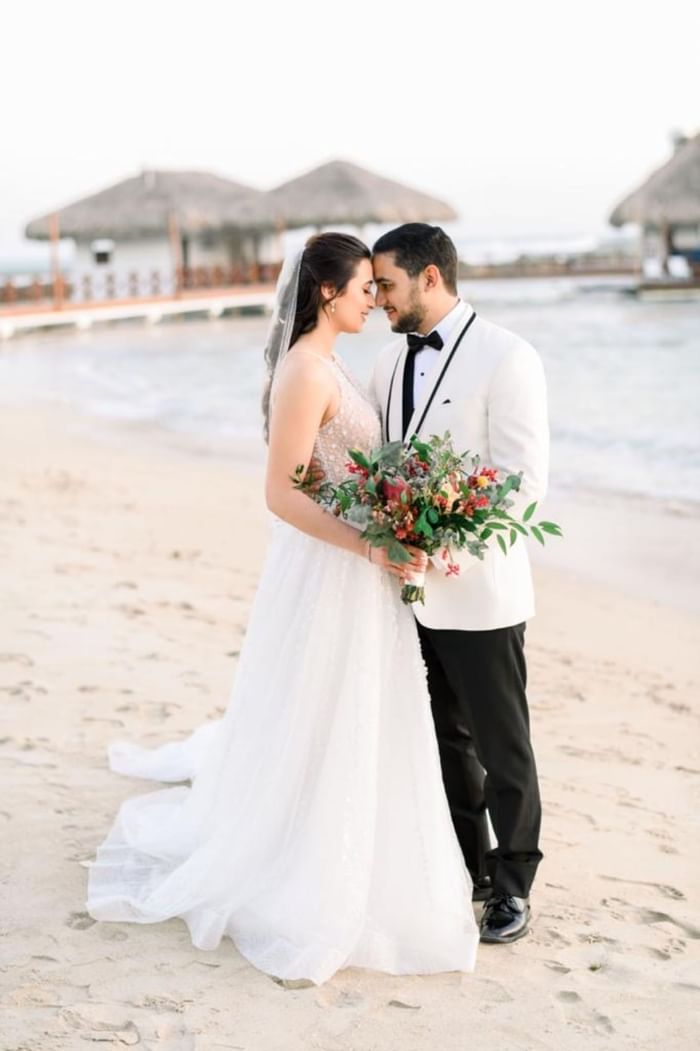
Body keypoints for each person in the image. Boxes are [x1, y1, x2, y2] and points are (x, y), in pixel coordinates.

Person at [86, 232, 479, 985]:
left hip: (359, 567)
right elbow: (281, 491)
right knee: (323, 711)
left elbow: (351, 471)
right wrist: (372, 547)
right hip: (333, 571)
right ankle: (309, 868)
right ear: (327, 292)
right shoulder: (305, 370)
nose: (374, 296)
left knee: (354, 713)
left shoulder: (330, 363)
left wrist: (403, 518)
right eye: (364, 285)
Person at [370, 223, 549, 944]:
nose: (377, 297)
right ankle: (466, 869)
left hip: (481, 591)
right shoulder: (385, 363)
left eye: (386, 283)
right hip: (404, 596)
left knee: (503, 746)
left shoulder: (509, 356)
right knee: (444, 739)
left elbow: (523, 484)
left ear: (430, 278)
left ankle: (513, 884)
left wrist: (445, 551)